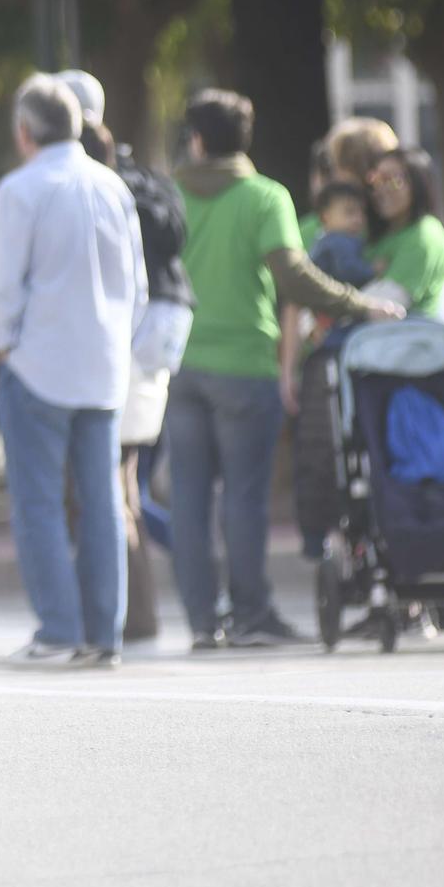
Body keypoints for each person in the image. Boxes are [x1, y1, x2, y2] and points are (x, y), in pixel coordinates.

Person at [173, 91, 397, 651]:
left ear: (196, 140)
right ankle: (251, 615)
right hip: (246, 363)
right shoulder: (264, 197)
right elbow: (294, 278)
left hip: (180, 363)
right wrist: (357, 302)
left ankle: (203, 621)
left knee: (189, 500)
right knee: (244, 498)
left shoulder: (171, 195)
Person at [0, 77, 144, 668]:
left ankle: (57, 629)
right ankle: (104, 634)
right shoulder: (111, 186)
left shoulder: (21, 188)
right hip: (103, 365)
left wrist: (5, 346)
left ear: (24, 132)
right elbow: (139, 285)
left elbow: (1, 286)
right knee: (102, 501)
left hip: (39, 364)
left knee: (39, 504)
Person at [63, 70, 193, 645]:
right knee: (123, 488)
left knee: (107, 490)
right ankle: (132, 616)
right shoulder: (144, 183)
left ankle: (117, 617)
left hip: (121, 349)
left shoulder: (96, 192)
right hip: (154, 345)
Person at [365, 149, 444, 322]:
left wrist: (332, 308)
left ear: (418, 183)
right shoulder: (379, 235)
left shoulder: (425, 236)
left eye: (393, 180)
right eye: (376, 180)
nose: (382, 189)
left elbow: (386, 302)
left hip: (418, 346)